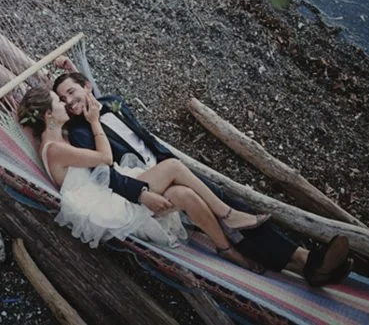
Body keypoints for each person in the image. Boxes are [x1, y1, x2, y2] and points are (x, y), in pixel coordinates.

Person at [52, 68, 353, 286]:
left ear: (87, 86)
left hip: (163, 170)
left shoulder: (112, 101)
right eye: (63, 99)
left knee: (211, 197)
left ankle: (304, 262)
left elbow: (98, 100)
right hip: (139, 184)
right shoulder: (80, 132)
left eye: (72, 92)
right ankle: (289, 251)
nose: (69, 101)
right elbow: (105, 175)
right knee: (219, 203)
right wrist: (141, 194)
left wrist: (74, 77)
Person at [18, 87, 269, 272]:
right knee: (173, 166)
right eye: (58, 102)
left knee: (184, 195)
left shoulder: (55, 136)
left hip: (109, 192)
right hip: (107, 206)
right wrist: (94, 122)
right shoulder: (54, 149)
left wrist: (71, 78)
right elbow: (105, 158)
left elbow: (66, 101)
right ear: (48, 115)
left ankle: (226, 250)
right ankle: (228, 214)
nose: (64, 104)